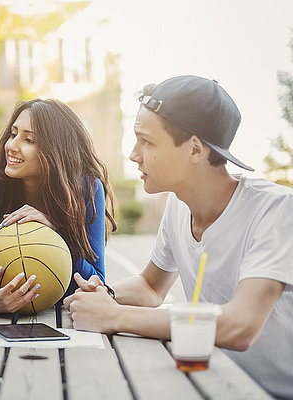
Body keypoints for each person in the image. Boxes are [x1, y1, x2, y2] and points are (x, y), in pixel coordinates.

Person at [63, 75, 293, 400]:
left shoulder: (276, 211)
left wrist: (114, 316)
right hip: (212, 382)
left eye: (147, 141)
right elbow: (151, 287)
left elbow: (240, 326)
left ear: (195, 149)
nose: (133, 154)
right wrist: (104, 294)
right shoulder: (177, 206)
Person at [0, 99, 117, 313]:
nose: (12, 146)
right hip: (11, 319)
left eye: (29, 140)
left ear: (56, 150)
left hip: (67, 316)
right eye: (13, 134)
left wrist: (55, 233)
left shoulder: (87, 189)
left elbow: (96, 279)